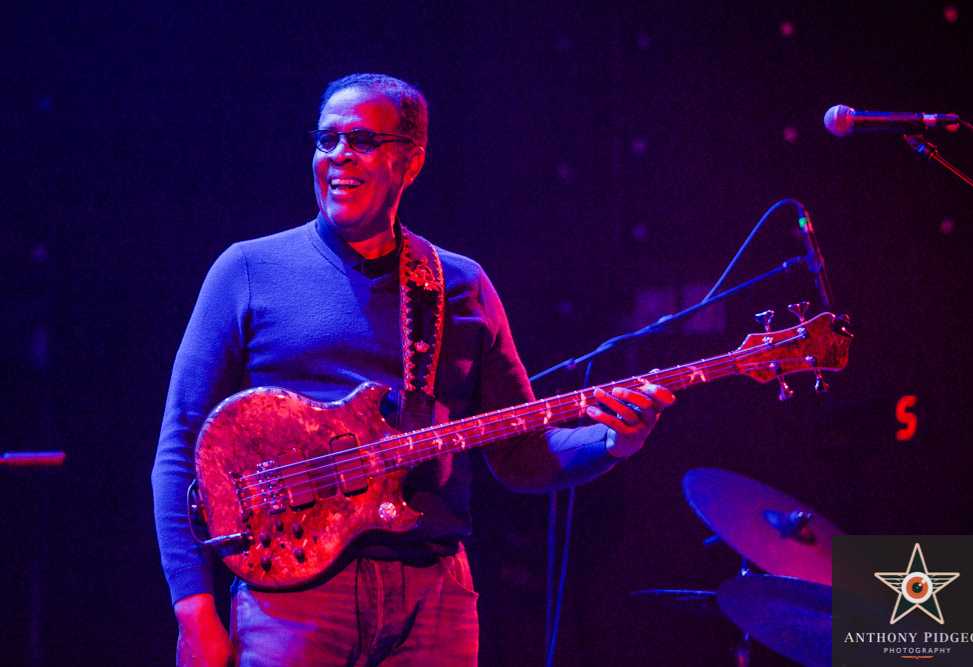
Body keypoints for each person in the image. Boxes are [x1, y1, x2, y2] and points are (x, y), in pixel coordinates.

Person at [152, 73, 674, 667]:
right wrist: (194, 612)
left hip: (435, 597)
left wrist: (612, 441)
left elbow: (520, 453)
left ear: (411, 161)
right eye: (327, 140)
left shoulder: (461, 285)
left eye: (363, 140)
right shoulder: (247, 269)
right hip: (292, 605)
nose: (340, 155)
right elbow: (180, 449)